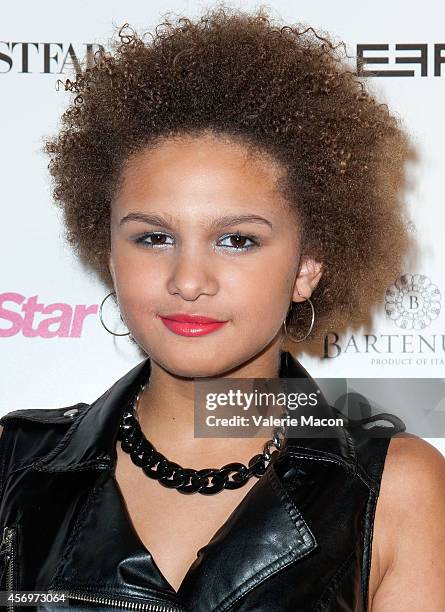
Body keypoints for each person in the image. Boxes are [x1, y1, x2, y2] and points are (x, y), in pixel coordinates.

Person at [1, 5, 445, 611]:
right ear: (108, 252)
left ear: (306, 268)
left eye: (237, 239)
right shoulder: (13, 464)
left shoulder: (394, 488)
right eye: (153, 237)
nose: (188, 280)